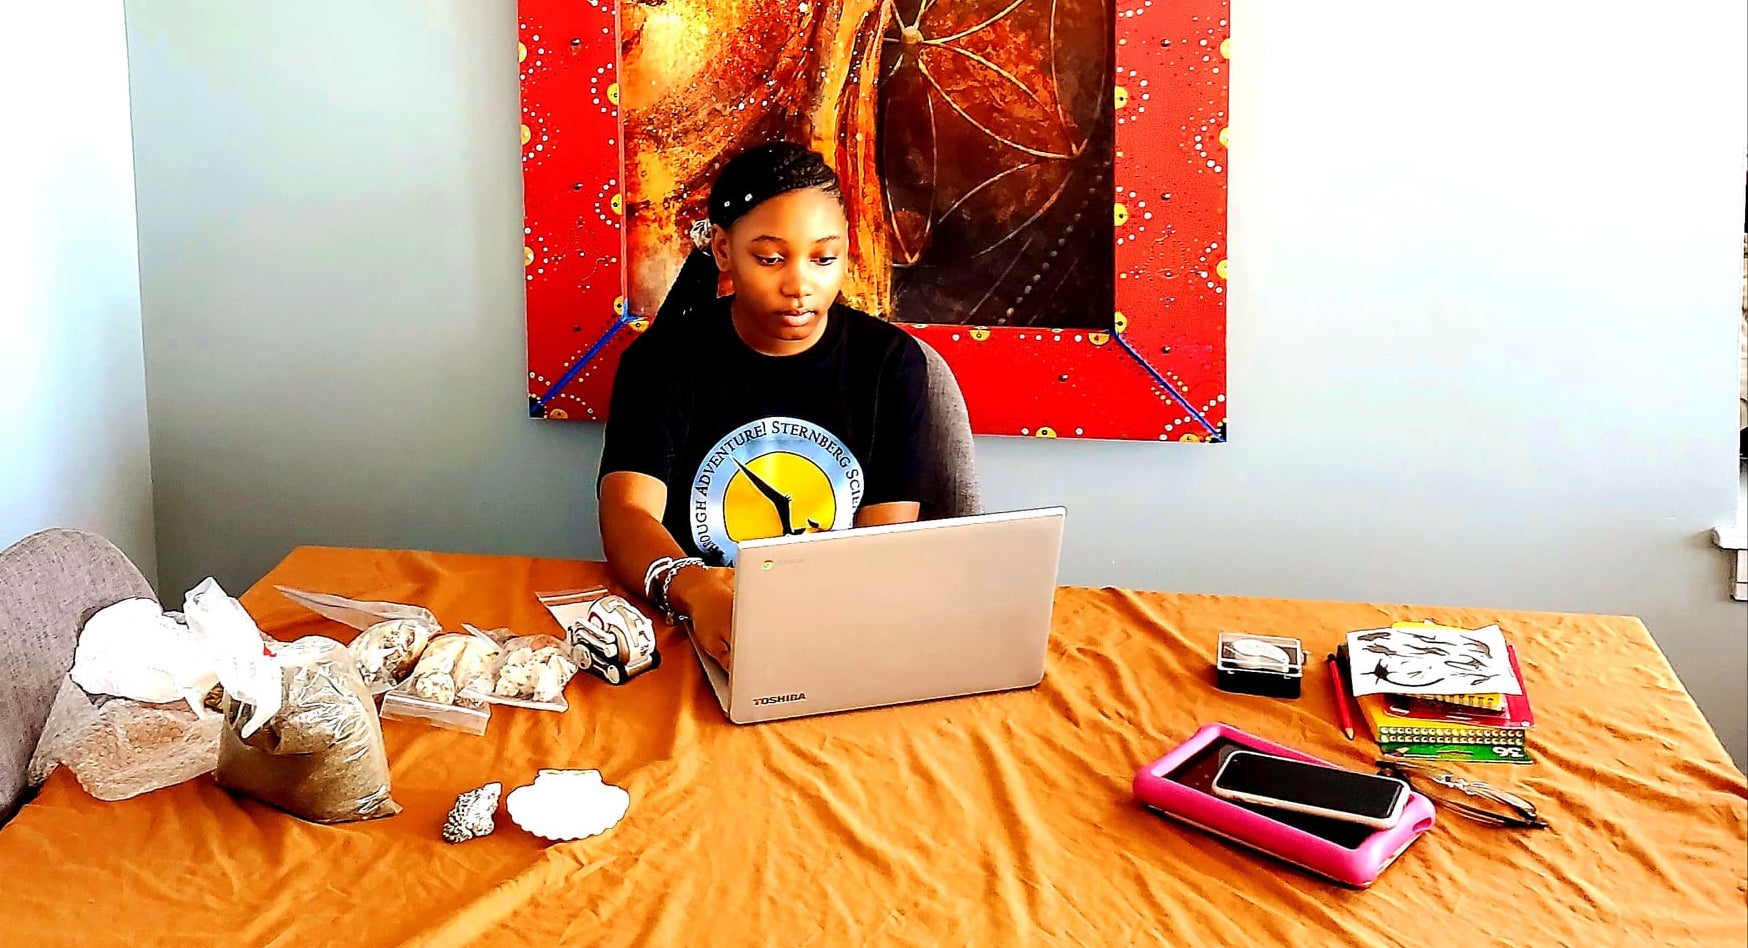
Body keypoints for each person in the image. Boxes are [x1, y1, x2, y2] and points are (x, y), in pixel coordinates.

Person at [597, 142, 931, 665]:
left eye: (825, 258)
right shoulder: (662, 359)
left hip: (838, 625)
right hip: (690, 623)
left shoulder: (891, 364)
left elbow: (882, 541)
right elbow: (626, 510)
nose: (800, 284)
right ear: (725, 250)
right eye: (771, 258)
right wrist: (695, 589)